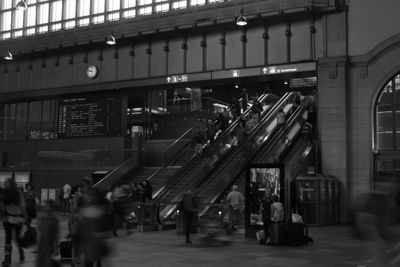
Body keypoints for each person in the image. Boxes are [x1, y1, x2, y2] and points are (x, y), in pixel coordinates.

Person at [0, 178, 27, 266]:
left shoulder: (18, 193)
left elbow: (22, 206)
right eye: (6, 184)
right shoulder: (4, 193)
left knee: (18, 238)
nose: (7, 185)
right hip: (8, 217)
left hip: (18, 218)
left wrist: (26, 216)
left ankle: (21, 253)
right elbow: (2, 206)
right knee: (8, 239)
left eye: (8, 184)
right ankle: (7, 259)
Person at [36, 199, 59, 267]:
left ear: (52, 207)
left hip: (49, 245)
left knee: (47, 263)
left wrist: (56, 247)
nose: (46, 208)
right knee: (39, 263)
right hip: (41, 243)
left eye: (48, 206)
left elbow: (56, 233)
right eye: (45, 206)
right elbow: (39, 231)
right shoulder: (41, 218)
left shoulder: (54, 219)